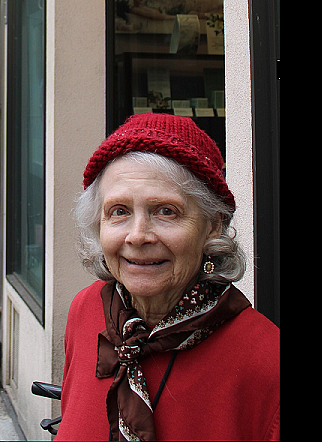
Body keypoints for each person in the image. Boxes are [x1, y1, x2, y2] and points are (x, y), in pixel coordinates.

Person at [55, 114, 279, 441]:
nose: (138, 235)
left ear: (213, 225)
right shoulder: (85, 310)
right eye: (119, 211)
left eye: (166, 211)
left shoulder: (267, 361)